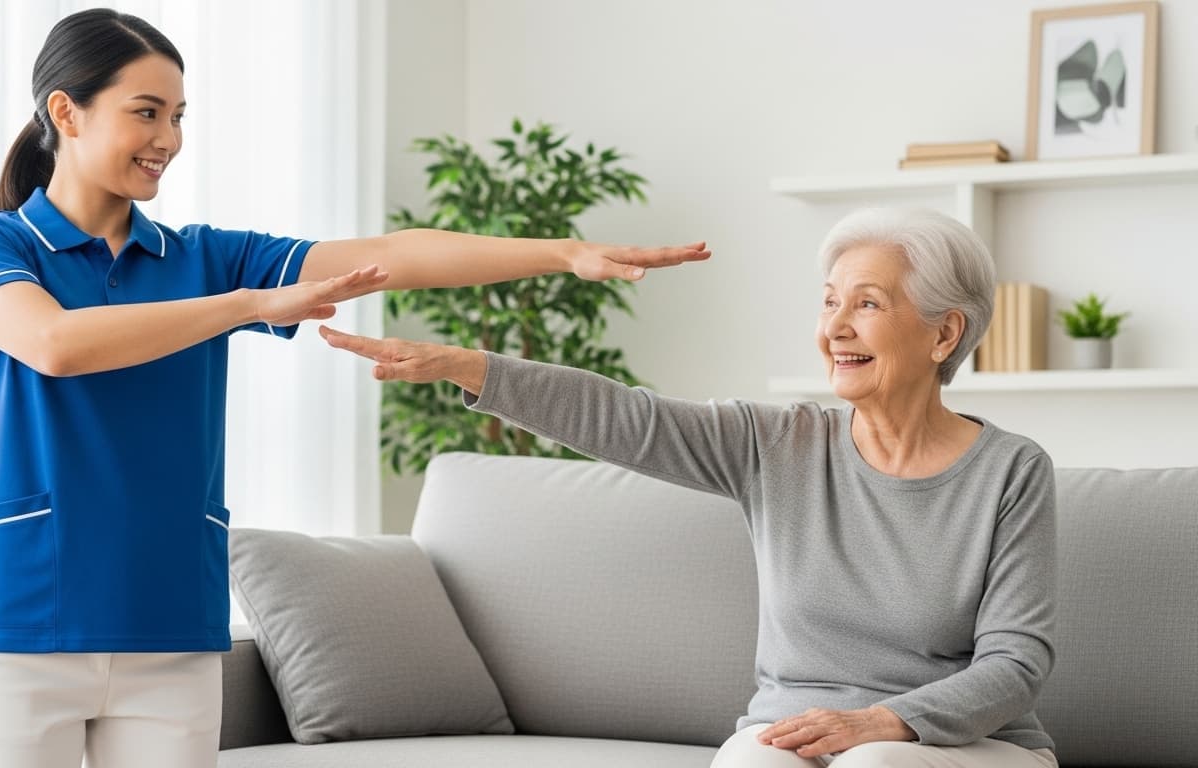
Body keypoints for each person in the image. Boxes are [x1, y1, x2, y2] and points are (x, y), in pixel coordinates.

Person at [0, 8, 708, 768]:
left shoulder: (203, 255)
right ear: (65, 111)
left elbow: (391, 254)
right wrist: (248, 306)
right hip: (23, 625)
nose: (168, 139)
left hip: (170, 623)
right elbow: (54, 345)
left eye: (178, 115)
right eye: (146, 113)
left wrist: (562, 253)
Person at [321, 207, 1060, 768]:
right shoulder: (779, 445)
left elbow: (1015, 666)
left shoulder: (1010, 471)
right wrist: (466, 366)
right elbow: (625, 420)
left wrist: (878, 723)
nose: (835, 327)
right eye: (828, 302)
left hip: (958, 747)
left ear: (942, 335)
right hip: (789, 735)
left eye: (866, 304)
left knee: (873, 765)